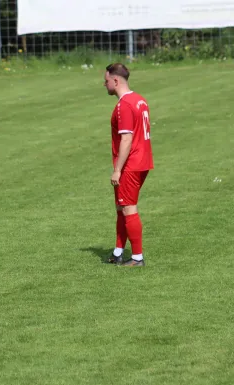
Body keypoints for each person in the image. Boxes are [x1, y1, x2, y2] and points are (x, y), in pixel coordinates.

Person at [103, 63, 154, 267]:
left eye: (106, 81)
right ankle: (118, 252)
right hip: (142, 160)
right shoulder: (139, 99)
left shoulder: (124, 104)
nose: (104, 84)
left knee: (128, 208)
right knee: (121, 207)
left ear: (115, 80)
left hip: (130, 164)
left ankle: (137, 258)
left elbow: (126, 139)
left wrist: (117, 170)